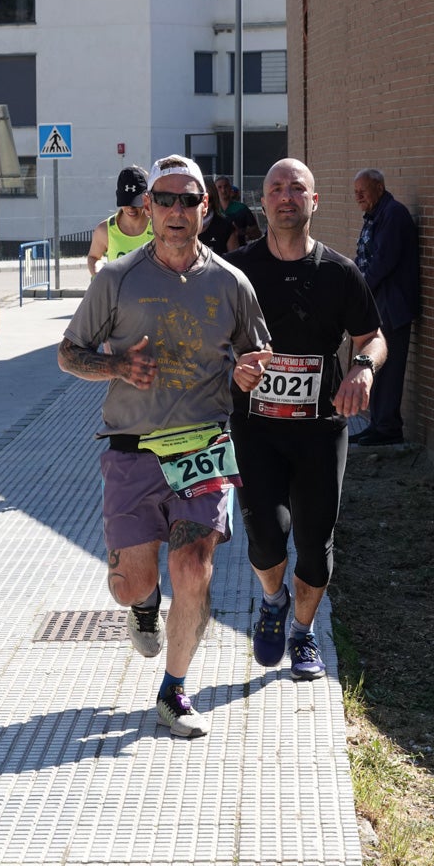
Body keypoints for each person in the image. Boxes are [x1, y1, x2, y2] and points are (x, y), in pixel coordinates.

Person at [58, 154, 271, 738]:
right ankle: (144, 605)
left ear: (206, 208)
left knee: (194, 565)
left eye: (189, 200)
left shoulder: (231, 283)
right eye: (166, 199)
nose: (178, 211)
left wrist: (249, 375)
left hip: (202, 444)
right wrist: (117, 366)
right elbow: (68, 353)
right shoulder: (117, 279)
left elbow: (256, 356)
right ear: (147, 208)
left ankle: (174, 690)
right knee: (133, 580)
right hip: (132, 447)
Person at [226, 157, 386, 680]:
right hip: (256, 429)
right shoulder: (238, 271)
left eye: (298, 189)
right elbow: (207, 341)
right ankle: (273, 600)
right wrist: (234, 368)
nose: (287, 196)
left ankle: (302, 631)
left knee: (315, 546)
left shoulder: (340, 273)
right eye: (276, 188)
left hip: (320, 430)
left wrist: (361, 369)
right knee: (267, 537)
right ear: (264, 202)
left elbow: (372, 338)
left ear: (314, 202)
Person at [351, 168, 420, 446]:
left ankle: (388, 427)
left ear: (378, 187)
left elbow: (383, 261)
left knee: (389, 368)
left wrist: (360, 289)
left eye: (362, 191)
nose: (358, 197)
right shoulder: (374, 215)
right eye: (355, 192)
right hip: (380, 304)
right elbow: (363, 256)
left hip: (394, 305)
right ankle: (378, 423)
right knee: (376, 365)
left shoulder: (393, 214)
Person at [86, 166, 154, 276]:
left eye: (135, 203)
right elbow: (93, 257)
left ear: (146, 199)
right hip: (118, 292)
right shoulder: (104, 230)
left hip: (152, 292)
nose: (130, 208)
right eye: (126, 201)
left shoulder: (158, 227)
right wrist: (99, 272)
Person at [214, 174, 261, 246]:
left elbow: (257, 233)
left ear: (230, 188)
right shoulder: (211, 209)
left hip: (238, 251)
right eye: (219, 187)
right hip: (216, 252)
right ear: (215, 190)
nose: (223, 190)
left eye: (225, 186)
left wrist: (241, 232)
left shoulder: (241, 208)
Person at [199, 177, 239, 254]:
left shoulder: (225, 226)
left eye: (208, 199)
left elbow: (235, 260)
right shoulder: (180, 226)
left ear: (214, 200)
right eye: (199, 199)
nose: (204, 204)